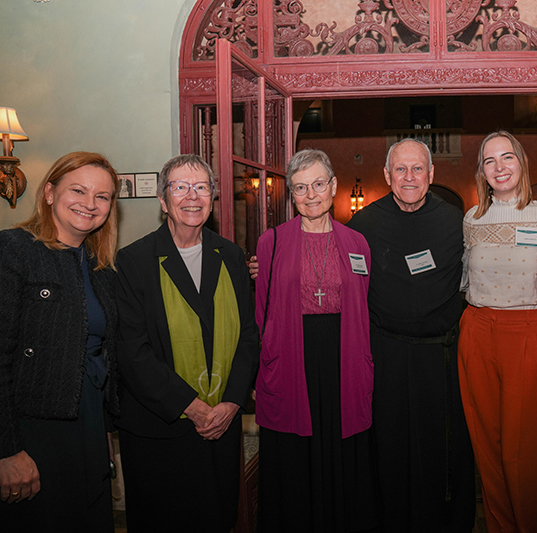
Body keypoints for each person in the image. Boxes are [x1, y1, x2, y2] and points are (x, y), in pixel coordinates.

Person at [114, 154, 259, 533]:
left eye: (201, 187)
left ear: (212, 198)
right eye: (180, 187)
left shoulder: (231, 256)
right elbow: (132, 351)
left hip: (220, 424)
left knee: (217, 518)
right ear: (163, 201)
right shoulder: (133, 261)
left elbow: (248, 336)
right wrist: (192, 407)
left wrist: (231, 402)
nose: (192, 196)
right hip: (159, 429)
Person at [347, 138, 475, 533]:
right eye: (400, 169)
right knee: (387, 447)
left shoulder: (456, 222)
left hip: (439, 359)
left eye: (417, 168)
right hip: (383, 355)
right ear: (387, 175)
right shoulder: (362, 226)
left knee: (439, 448)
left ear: (431, 174)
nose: (409, 177)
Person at [254, 148, 378, 532]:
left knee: (342, 447)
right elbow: (262, 313)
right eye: (300, 187)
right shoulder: (271, 243)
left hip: (344, 359)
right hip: (292, 360)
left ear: (334, 186)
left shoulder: (357, 243)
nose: (311, 195)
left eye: (318, 184)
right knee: (295, 455)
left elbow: (364, 306)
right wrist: (261, 370)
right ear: (291, 195)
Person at [0, 152, 120, 532]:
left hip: (89, 421)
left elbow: (106, 354)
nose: (90, 203)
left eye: (102, 196)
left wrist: (105, 429)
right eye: (78, 191)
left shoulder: (101, 268)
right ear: (50, 193)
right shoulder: (13, 250)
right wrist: (6, 450)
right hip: (33, 431)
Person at [459, 131, 537, 533]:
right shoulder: (472, 219)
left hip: (527, 330)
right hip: (476, 329)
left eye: (507, 157)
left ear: (522, 162)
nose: (499, 167)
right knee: (485, 442)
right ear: (482, 171)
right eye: (489, 160)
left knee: (522, 448)